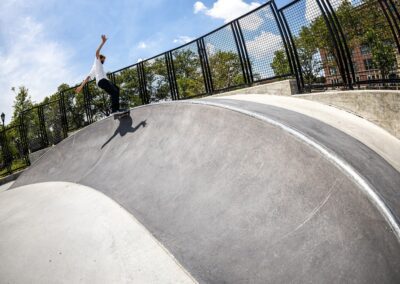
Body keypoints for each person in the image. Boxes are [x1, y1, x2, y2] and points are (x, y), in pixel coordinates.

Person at [76, 35, 121, 114]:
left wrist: (81, 86)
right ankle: (114, 110)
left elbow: (87, 78)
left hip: (101, 82)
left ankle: (115, 109)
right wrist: (103, 42)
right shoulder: (97, 61)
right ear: (100, 58)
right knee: (114, 92)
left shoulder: (94, 68)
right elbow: (97, 52)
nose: (104, 61)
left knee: (116, 90)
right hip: (102, 81)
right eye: (103, 59)